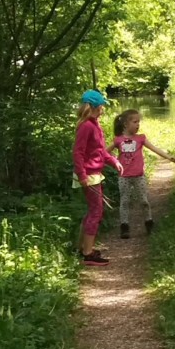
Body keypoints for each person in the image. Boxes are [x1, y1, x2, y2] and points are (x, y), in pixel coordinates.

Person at [111, 108, 175, 238]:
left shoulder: (140, 138)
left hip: (139, 176)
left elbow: (155, 149)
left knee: (144, 201)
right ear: (126, 124)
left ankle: (149, 223)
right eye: (135, 122)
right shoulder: (118, 140)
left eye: (138, 122)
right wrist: (110, 161)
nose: (138, 125)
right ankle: (124, 227)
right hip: (124, 177)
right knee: (125, 202)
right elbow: (105, 153)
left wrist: (169, 157)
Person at [72, 89, 118, 266]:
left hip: (95, 174)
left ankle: (84, 247)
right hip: (88, 176)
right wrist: (82, 175)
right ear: (92, 107)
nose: (102, 109)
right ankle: (88, 254)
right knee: (96, 211)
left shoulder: (95, 125)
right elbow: (78, 153)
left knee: (93, 210)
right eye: (100, 106)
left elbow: (100, 151)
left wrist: (114, 161)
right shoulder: (86, 126)